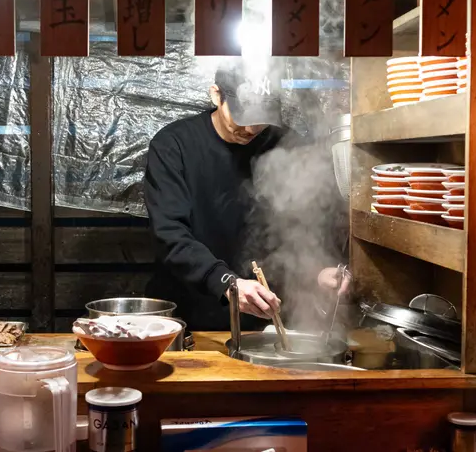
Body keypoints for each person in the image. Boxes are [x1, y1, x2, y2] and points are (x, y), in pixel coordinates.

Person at [143, 61, 349, 331]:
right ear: (216, 95)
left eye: (261, 118)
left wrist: (317, 271)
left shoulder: (286, 145)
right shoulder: (174, 145)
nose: (251, 129)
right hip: (191, 313)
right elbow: (169, 233)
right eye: (242, 116)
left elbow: (302, 226)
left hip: (268, 315)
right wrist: (225, 282)